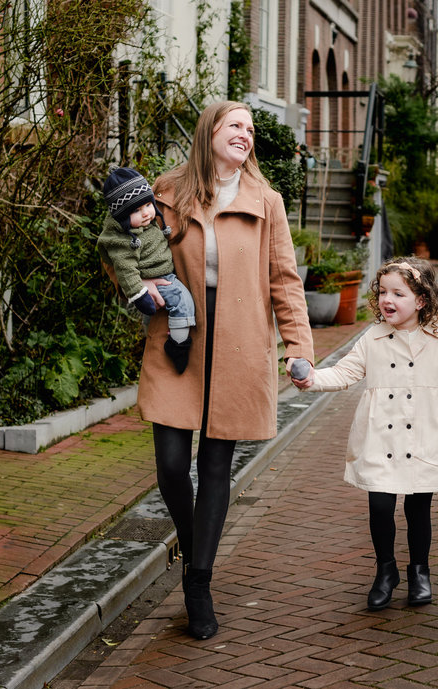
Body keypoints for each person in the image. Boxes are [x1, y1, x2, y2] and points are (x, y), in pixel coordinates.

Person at [137, 101, 314, 640]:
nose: (246, 134)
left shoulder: (268, 201)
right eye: (235, 124)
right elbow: (124, 245)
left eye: (251, 129)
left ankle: (199, 581)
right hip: (179, 340)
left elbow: (284, 278)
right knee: (171, 465)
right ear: (209, 131)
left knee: (216, 465)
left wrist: (298, 345)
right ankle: (194, 550)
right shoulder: (167, 192)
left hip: (239, 342)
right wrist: (140, 288)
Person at [291, 257, 438, 610]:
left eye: (398, 293)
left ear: (421, 300)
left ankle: (419, 572)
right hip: (382, 435)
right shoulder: (373, 337)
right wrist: (312, 378)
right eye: (382, 292)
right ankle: (385, 571)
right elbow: (345, 373)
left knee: (418, 506)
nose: (387, 300)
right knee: (380, 504)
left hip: (425, 432)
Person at [97, 167, 195, 373]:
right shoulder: (125, 239)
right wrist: (139, 291)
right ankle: (178, 345)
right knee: (182, 302)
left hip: (166, 275)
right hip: (159, 280)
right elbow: (123, 267)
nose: (146, 213)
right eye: (135, 210)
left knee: (183, 303)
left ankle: (179, 341)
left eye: (149, 205)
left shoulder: (146, 226)